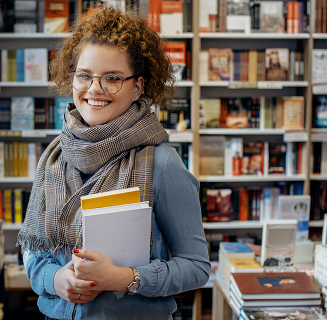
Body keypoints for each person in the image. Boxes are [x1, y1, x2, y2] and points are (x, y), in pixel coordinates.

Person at [17, 7, 211, 319]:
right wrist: (55, 280)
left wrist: (123, 279)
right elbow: (34, 251)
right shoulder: (54, 157)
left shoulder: (161, 163)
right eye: (84, 76)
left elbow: (196, 267)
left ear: (137, 87)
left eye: (112, 78)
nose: (94, 89)